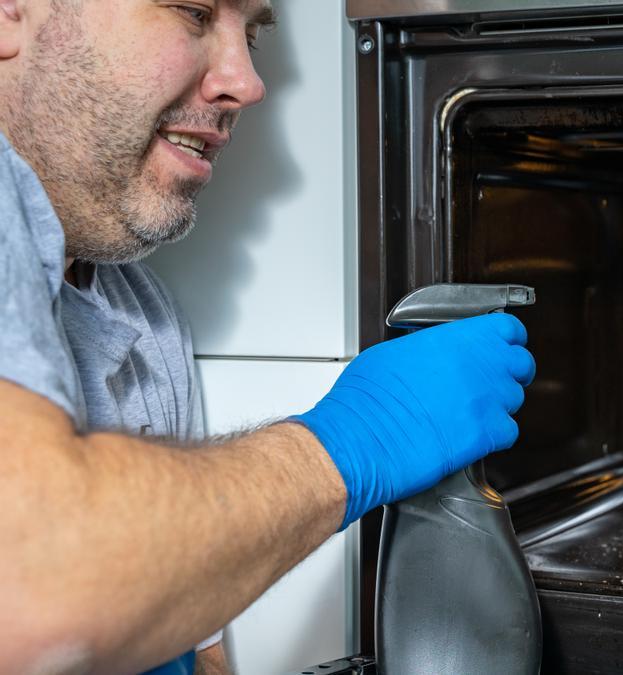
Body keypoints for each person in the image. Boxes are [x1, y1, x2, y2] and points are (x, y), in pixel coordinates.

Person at [0, 1, 537, 673]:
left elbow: (202, 652)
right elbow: (30, 583)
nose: (248, 82)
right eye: (194, 12)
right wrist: (352, 441)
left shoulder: (143, 315)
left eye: (251, 34)